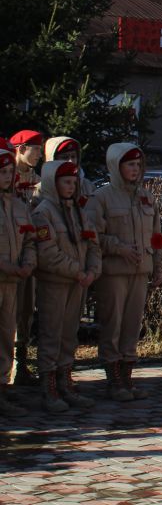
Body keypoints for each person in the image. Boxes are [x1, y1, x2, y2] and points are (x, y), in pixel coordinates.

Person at [88, 144, 162, 401]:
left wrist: (159, 266)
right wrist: (118, 248)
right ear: (116, 167)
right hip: (114, 272)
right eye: (129, 164)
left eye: (138, 165)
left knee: (133, 325)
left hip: (140, 271)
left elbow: (157, 237)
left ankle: (127, 378)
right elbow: (93, 235)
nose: (135, 169)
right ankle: (113, 380)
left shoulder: (147, 197)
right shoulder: (102, 198)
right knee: (114, 324)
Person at [32, 160, 101, 412]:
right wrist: (78, 270)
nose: (71, 187)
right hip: (56, 283)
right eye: (66, 182)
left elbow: (93, 244)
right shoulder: (43, 212)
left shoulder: (79, 211)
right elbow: (47, 253)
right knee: (51, 334)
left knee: (69, 334)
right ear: (53, 183)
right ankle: (48, 389)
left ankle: (65, 382)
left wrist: (93, 270)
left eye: (74, 182)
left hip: (79, 282)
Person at [0, 147, 36, 416]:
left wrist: (27, 262)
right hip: (4, 274)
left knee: (6, 335)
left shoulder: (19, 206)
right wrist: (8, 266)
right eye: (2, 172)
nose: (6, 177)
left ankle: (4, 389)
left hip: (13, 281)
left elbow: (30, 239)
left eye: (10, 172)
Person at [9, 129, 42, 386]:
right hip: (7, 257)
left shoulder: (38, 178)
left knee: (26, 310)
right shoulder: (8, 175)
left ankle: (21, 364)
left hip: (28, 255)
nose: (39, 155)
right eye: (35, 149)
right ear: (20, 149)